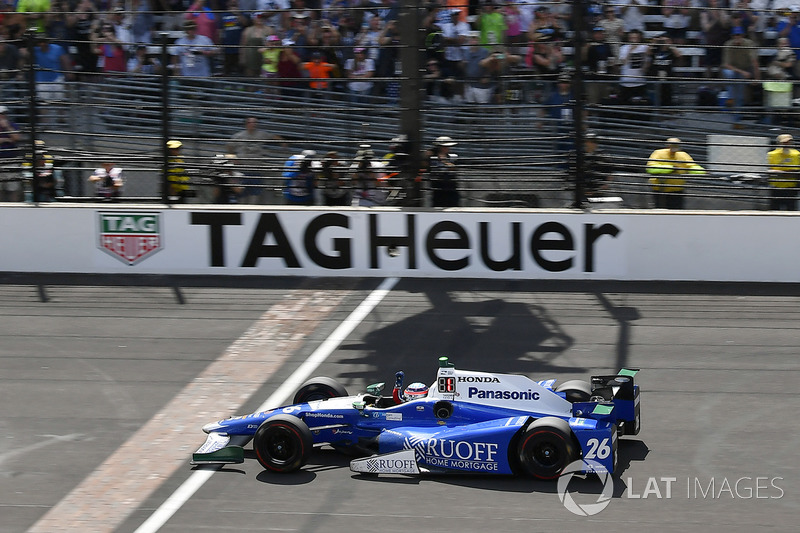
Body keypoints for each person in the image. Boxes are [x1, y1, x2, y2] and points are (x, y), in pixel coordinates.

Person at [226, 116, 284, 204]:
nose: (253, 124)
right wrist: (233, 157)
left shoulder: (261, 134)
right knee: (241, 195)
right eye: (251, 123)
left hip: (256, 169)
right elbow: (229, 147)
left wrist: (282, 141)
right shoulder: (239, 136)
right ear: (246, 124)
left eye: (255, 123)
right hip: (243, 170)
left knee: (255, 195)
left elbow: (272, 136)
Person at [646, 137, 705, 209]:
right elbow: (651, 168)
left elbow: (692, 166)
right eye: (672, 145)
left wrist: (702, 171)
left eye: (676, 146)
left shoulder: (683, 155)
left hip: (677, 190)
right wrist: (670, 168)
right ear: (667, 145)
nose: (673, 148)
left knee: (676, 212)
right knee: (661, 212)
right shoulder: (658, 153)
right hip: (660, 190)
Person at [721, 27, 760, 128]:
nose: (737, 37)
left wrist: (756, 77)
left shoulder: (749, 44)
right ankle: (730, 97)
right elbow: (726, 64)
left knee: (740, 97)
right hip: (733, 70)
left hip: (744, 70)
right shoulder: (728, 44)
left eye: (739, 35)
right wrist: (742, 72)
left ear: (742, 36)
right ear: (732, 36)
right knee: (729, 74)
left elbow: (754, 62)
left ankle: (736, 121)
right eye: (735, 35)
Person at [569, 131, 613, 202]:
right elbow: (573, 174)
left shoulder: (603, 157)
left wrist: (601, 188)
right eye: (588, 141)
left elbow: (609, 174)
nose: (590, 144)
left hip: (598, 193)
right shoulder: (578, 157)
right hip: (581, 193)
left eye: (593, 142)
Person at [766, 133, 800, 210]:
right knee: (774, 210)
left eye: (789, 142)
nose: (787, 144)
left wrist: (778, 172)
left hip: (791, 187)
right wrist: (785, 172)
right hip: (776, 187)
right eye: (784, 142)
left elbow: (795, 172)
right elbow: (769, 171)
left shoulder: (796, 154)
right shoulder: (772, 154)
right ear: (779, 143)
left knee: (791, 210)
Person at [429, 135, 459, 207]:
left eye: (447, 147)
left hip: (451, 188)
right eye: (444, 147)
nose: (447, 149)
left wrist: (444, 161)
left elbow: (453, 168)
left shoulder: (452, 157)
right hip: (438, 189)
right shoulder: (432, 159)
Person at [0, 105, 21, 201]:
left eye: (4, 114)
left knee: (13, 187)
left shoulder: (12, 125)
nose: (2, 116)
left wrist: (7, 126)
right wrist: (6, 139)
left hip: (11, 160)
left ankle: (15, 208)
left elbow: (16, 138)